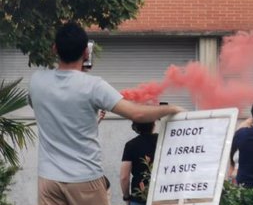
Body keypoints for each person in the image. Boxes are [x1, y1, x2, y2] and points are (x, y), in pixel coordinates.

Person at [28, 21, 184, 205]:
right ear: (86, 52)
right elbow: (136, 114)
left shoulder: (36, 81)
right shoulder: (94, 85)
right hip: (85, 178)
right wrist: (171, 109)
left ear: (54, 49)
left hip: (48, 179)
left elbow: (57, 111)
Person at [120, 121, 158, 205]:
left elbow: (124, 177)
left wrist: (126, 197)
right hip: (161, 195)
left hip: (139, 198)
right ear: (153, 125)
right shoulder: (161, 141)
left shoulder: (131, 145)